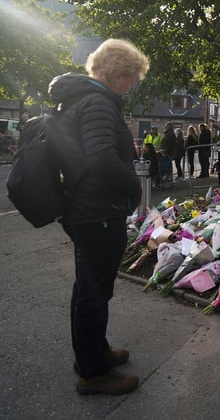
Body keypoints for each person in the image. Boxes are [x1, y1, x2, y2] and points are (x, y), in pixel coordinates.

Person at [47, 38, 149, 395]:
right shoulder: (98, 104)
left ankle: (95, 353)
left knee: (90, 288)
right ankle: (92, 373)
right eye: (131, 77)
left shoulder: (83, 100)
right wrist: (134, 188)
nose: (132, 84)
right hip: (97, 211)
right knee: (93, 292)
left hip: (88, 208)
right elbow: (101, 159)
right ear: (117, 73)